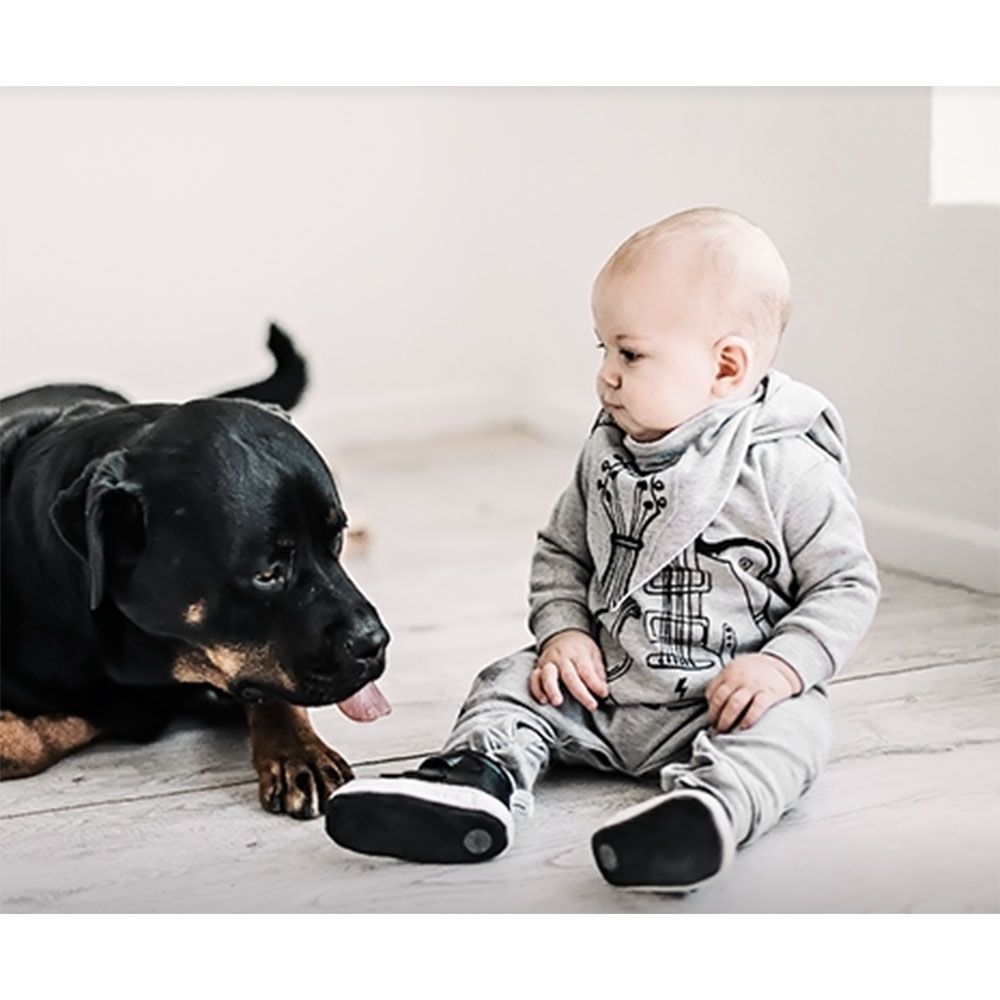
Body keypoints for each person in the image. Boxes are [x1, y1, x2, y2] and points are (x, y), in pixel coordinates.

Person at [324, 206, 881, 893]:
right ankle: (478, 780)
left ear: (726, 365)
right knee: (510, 681)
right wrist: (564, 634)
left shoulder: (788, 467)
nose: (607, 376)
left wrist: (780, 668)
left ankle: (706, 813)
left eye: (631, 353)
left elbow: (846, 586)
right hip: (604, 690)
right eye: (604, 351)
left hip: (720, 701)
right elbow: (563, 553)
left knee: (795, 729)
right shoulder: (608, 453)